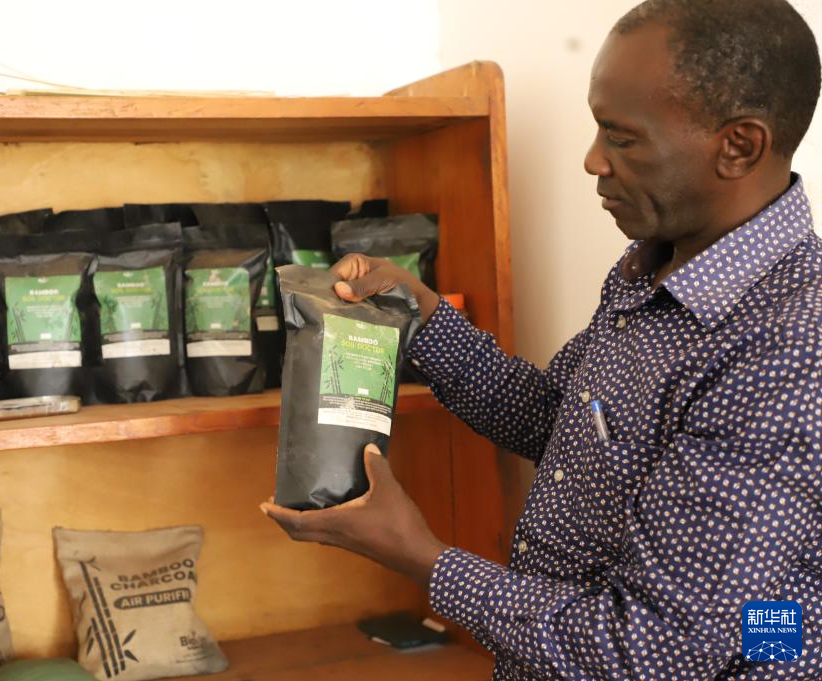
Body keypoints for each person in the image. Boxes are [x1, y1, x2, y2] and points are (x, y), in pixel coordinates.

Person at [260, 0, 822, 678]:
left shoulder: (791, 347)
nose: (593, 161)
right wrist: (423, 317)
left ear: (739, 146)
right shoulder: (658, 265)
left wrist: (418, 555)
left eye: (622, 138)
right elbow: (568, 426)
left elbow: (651, 647)